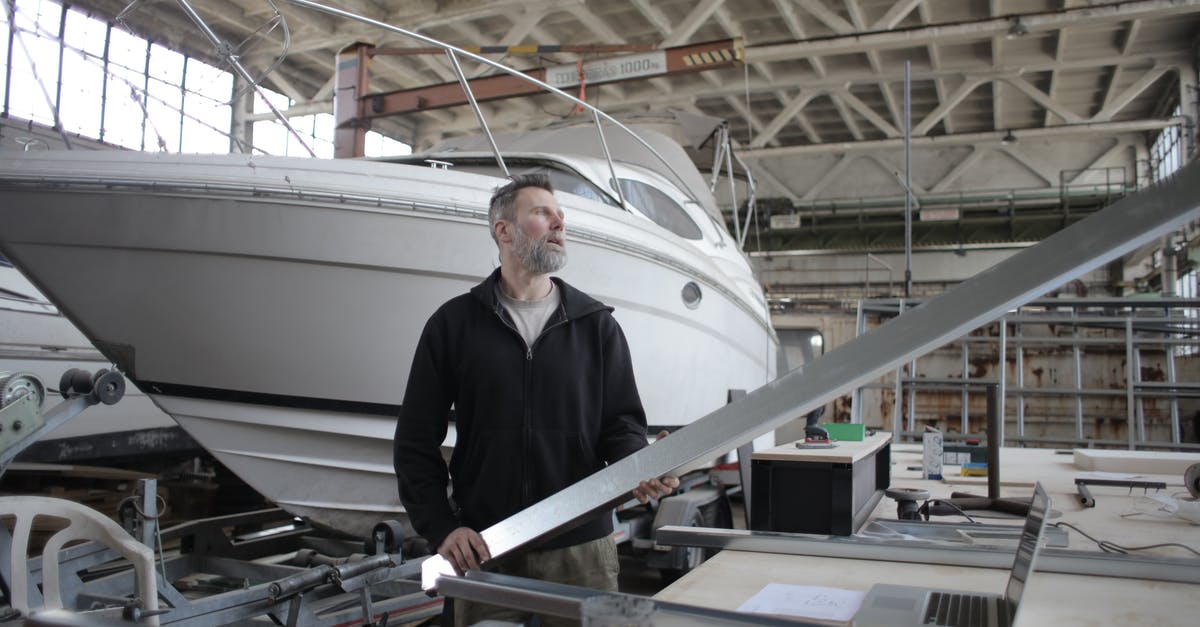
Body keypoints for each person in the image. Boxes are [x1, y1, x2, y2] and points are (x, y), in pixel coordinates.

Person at [393, 173, 679, 625]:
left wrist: (638, 466)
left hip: (582, 550)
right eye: (543, 213)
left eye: (560, 215)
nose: (559, 223)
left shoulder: (596, 326)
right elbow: (414, 440)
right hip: (486, 549)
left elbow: (620, 424)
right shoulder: (453, 325)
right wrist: (442, 528)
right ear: (502, 230)